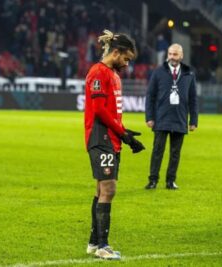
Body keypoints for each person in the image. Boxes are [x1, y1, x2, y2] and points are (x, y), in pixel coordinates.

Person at [84, 29, 145, 260]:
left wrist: (123, 133)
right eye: (126, 58)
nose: (127, 64)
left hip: (110, 138)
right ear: (116, 52)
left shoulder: (112, 74)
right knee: (109, 190)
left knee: (101, 190)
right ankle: (103, 245)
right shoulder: (99, 73)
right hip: (101, 138)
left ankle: (93, 243)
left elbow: (112, 112)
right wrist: (123, 134)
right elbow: (99, 111)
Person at [145, 43, 198, 190]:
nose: (172, 57)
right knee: (157, 151)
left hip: (180, 118)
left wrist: (193, 120)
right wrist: (149, 117)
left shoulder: (189, 74)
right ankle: (153, 180)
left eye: (175, 54)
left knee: (175, 153)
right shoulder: (158, 72)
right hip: (161, 117)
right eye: (170, 54)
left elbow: (193, 98)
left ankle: (170, 181)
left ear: (181, 56)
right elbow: (150, 96)